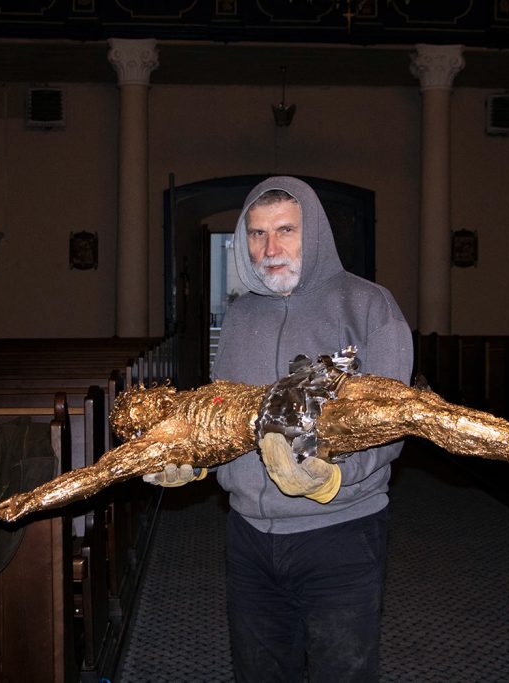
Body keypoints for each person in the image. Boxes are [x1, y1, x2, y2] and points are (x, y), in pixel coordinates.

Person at [145, 176, 413, 682]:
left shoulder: (369, 305)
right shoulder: (239, 315)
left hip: (339, 532)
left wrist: (332, 476)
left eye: (286, 230)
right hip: (248, 536)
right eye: (257, 234)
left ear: (314, 234)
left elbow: (391, 423)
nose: (270, 249)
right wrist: (196, 459)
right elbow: (225, 413)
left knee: (342, 673)